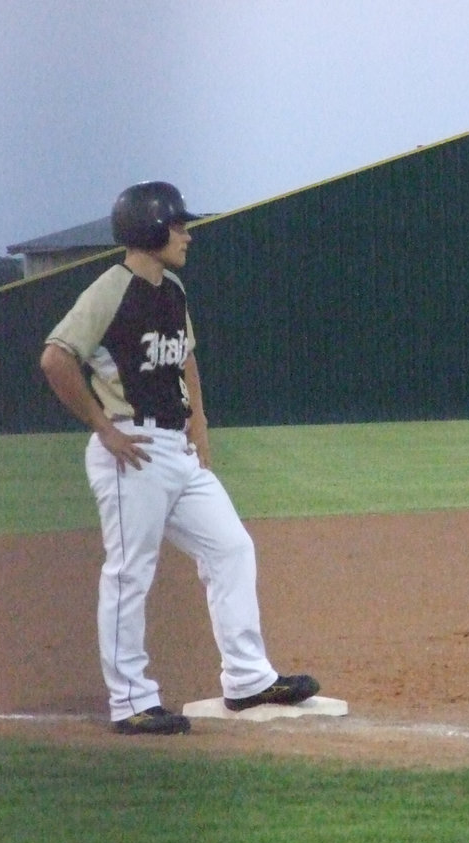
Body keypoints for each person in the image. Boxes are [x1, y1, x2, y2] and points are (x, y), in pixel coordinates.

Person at [40, 181, 320, 734]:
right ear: (150, 229)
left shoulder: (172, 290)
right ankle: (131, 702)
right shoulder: (109, 290)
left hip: (178, 448)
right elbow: (55, 359)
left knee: (231, 548)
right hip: (133, 448)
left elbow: (185, 358)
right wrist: (104, 428)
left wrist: (202, 427)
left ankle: (247, 680)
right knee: (129, 575)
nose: (187, 235)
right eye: (178, 225)